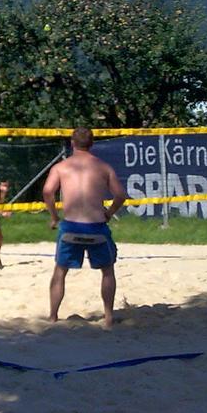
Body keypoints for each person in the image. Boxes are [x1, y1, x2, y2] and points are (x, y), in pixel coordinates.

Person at [43, 127, 127, 328]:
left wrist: (54, 216)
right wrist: (108, 213)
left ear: (72, 143)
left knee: (60, 271)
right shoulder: (103, 167)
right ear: (92, 144)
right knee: (107, 271)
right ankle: (108, 317)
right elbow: (121, 195)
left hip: (71, 226)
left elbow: (47, 192)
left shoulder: (61, 167)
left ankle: (53, 316)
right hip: (96, 226)